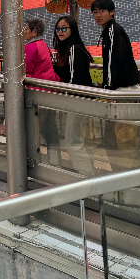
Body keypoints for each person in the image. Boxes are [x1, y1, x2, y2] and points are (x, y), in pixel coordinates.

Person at [53, 15, 94, 175]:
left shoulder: (74, 50)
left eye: (64, 28)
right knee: (76, 140)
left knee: (72, 141)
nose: (60, 32)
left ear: (72, 30)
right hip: (77, 100)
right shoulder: (67, 50)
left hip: (77, 100)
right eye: (58, 29)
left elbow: (74, 79)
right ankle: (87, 175)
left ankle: (87, 178)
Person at [24, 18, 60, 164]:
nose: (24, 32)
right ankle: (55, 160)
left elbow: (26, 72)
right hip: (49, 89)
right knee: (49, 127)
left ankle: (35, 160)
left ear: (34, 32)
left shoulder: (31, 47)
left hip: (37, 93)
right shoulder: (43, 45)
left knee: (39, 127)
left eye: (26, 29)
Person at [91, 0, 140, 91]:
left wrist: (108, 86)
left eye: (102, 11)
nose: (98, 15)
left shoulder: (113, 31)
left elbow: (112, 62)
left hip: (124, 88)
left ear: (111, 12)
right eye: (95, 12)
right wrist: (106, 83)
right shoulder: (111, 30)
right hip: (124, 85)